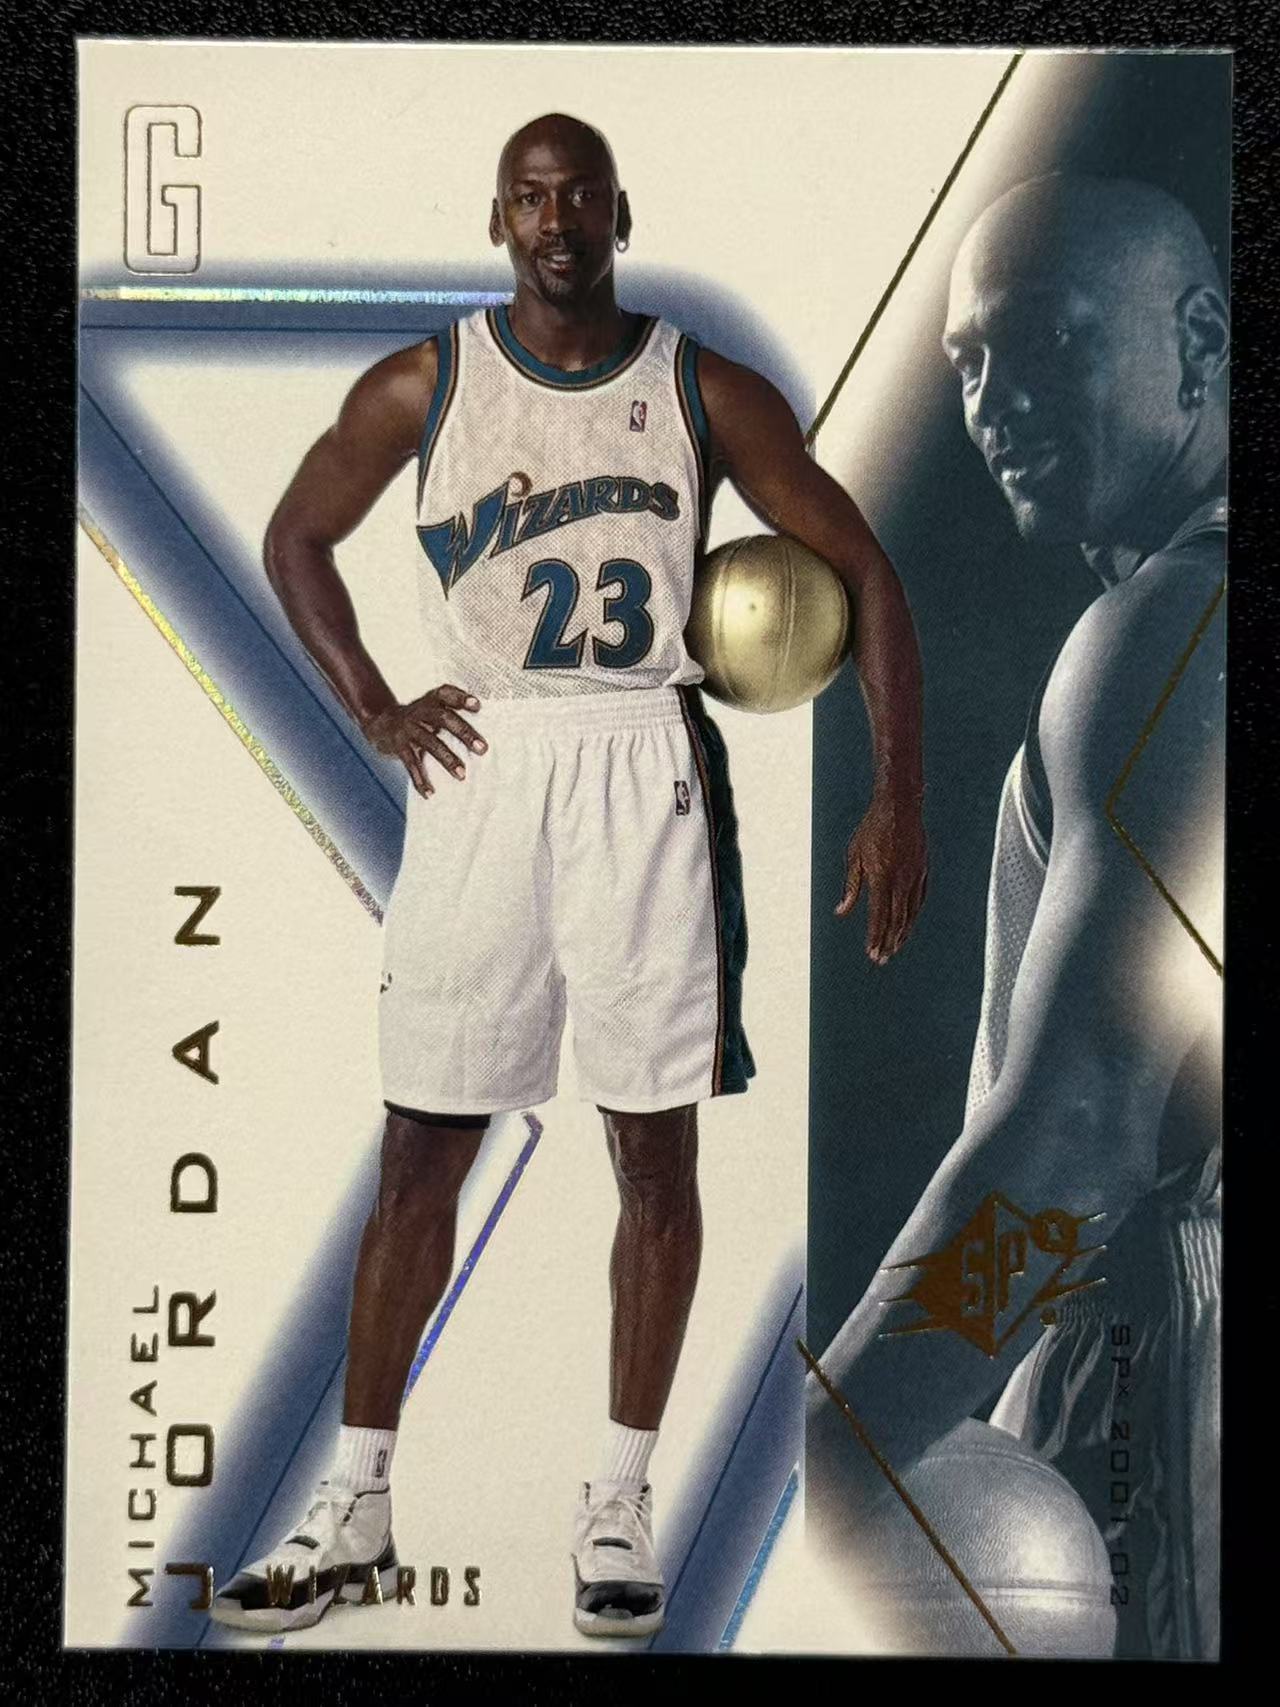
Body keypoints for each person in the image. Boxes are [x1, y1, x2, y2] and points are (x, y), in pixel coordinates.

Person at [210, 112, 927, 1639]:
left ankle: (616, 1502)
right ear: (499, 220)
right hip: (482, 770)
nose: (556, 220)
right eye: (530, 198)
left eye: (579, 195)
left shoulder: (702, 390)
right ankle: (357, 1503)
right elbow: (295, 537)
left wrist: (900, 795)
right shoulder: (427, 384)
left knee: (652, 1156)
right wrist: (374, 707)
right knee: (422, 1151)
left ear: (618, 211)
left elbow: (868, 566)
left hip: (640, 767)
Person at [805, 174, 1226, 1660]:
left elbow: (1076, 1144)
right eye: (968, 363)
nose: (996, 402)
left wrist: (816, 1472)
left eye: (1046, 342)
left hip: (1178, 1401)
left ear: (1201, 340)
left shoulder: (1179, 627)